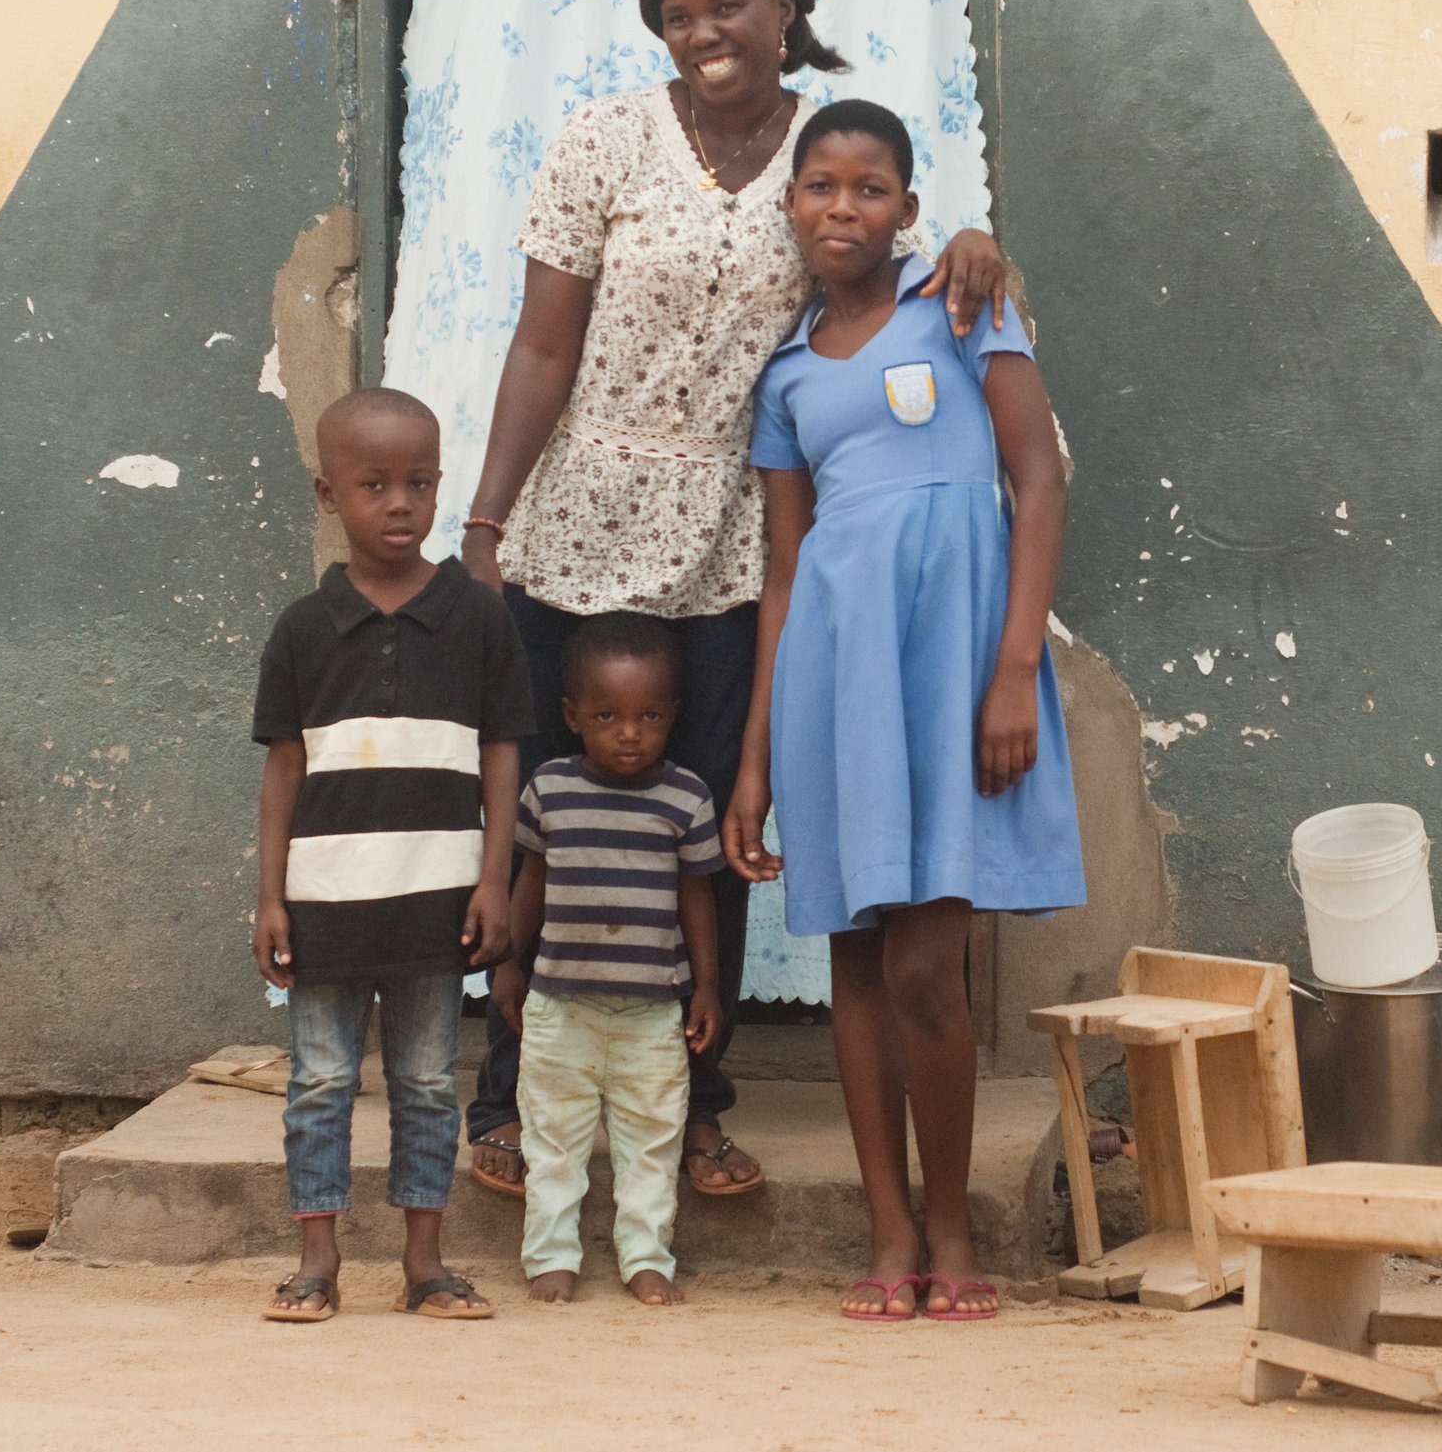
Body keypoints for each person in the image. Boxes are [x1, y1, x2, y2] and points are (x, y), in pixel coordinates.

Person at [458, 0, 1011, 1201]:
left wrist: (979, 246)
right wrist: (484, 523)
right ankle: (509, 1101)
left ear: (786, 7)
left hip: (727, 539)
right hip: (578, 521)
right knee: (545, 823)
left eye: (727, 3)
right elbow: (543, 346)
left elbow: (888, 270)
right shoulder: (604, 138)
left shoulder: (820, 159)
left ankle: (693, 1109)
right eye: (677, 12)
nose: (701, 31)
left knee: (702, 825)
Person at [730, 101, 1086, 1323]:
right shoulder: (782, 373)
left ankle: (950, 1227)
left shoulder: (965, 305)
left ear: (906, 208)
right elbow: (785, 569)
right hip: (836, 668)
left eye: (869, 188)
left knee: (932, 958)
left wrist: (1010, 671)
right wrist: (755, 761)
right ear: (790, 208)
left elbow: (1036, 481)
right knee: (859, 963)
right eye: (819, 187)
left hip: (953, 659)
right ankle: (887, 1233)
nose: (843, 208)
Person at [251, 388, 534, 1323]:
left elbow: (503, 752)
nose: (400, 503)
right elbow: (285, 766)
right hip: (327, 902)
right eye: (375, 484)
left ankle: (426, 1264)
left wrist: (495, 878)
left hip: (436, 901)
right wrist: (271, 897)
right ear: (331, 494)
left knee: (423, 1083)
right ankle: (316, 1263)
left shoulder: (479, 617)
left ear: (441, 484)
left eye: (418, 481)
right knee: (321, 1083)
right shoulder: (301, 627)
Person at [490, 613, 723, 1306]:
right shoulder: (550, 790)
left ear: (673, 715)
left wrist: (707, 985)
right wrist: (508, 962)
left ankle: (647, 1257)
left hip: (652, 1011)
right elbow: (528, 881)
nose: (629, 732)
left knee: (652, 1139)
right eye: (607, 714)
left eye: (649, 714)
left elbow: (697, 898)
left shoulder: (686, 797)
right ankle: (551, 1258)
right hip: (560, 1005)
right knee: (552, 1139)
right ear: (571, 715)